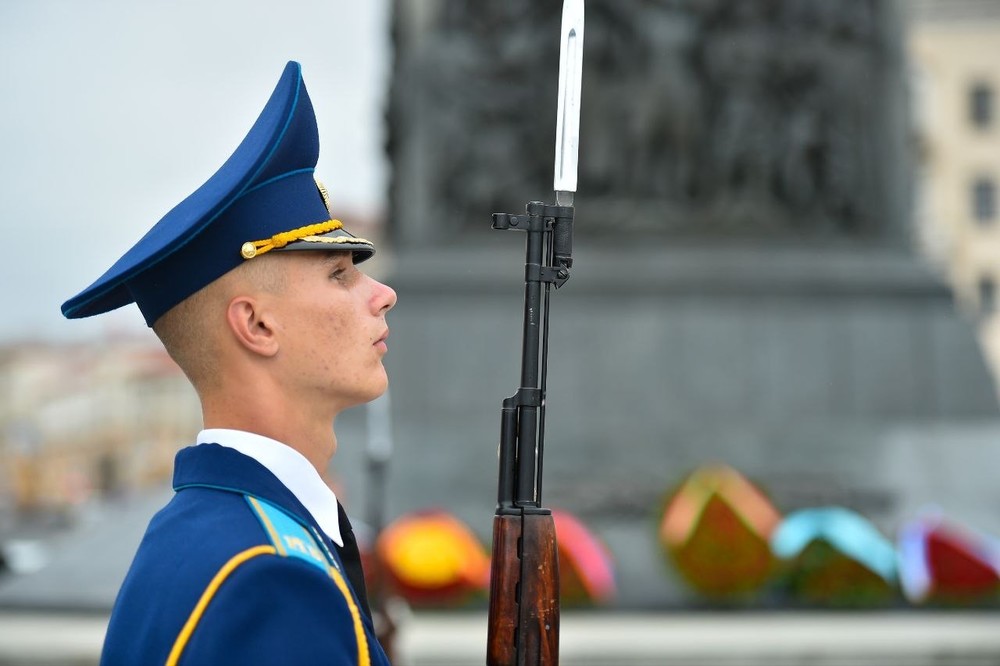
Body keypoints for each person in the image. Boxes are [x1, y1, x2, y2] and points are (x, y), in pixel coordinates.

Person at [61, 61, 395, 666]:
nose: (382, 294)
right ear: (257, 325)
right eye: (340, 274)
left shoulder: (206, 532)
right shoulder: (270, 578)